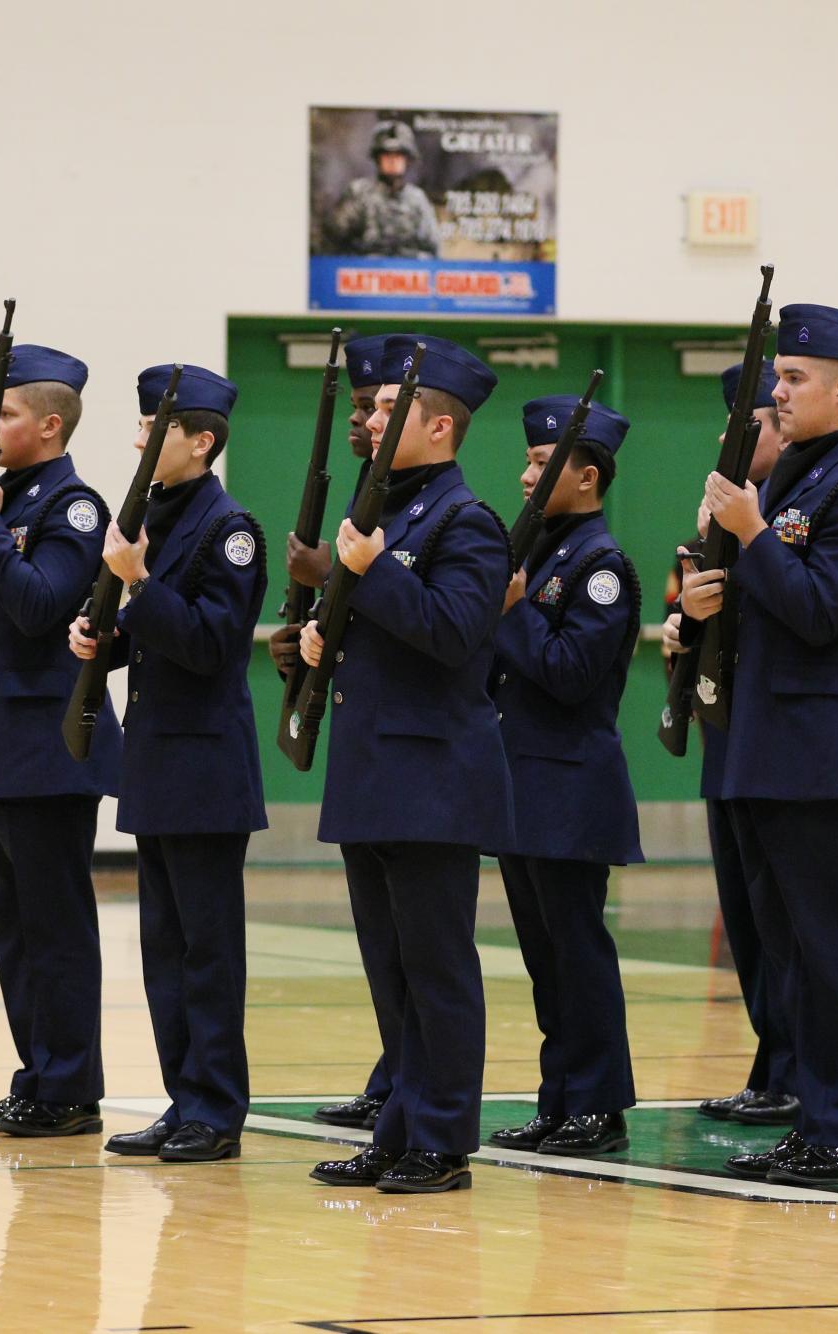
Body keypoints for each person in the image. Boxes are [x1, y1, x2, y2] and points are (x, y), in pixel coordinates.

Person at [699, 305, 838, 1186]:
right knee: (792, 949)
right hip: (774, 744)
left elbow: (825, 610)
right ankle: (817, 1115)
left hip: (828, 752)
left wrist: (751, 536)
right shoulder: (795, 476)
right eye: (776, 377)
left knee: (830, 949)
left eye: (791, 380)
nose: (776, 393)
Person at [299, 334, 512, 1194]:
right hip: (374, 770)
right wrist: (321, 641)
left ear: (441, 429)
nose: (373, 417)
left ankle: (442, 1139)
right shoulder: (391, 513)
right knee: (390, 973)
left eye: (391, 409)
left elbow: (456, 633)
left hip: (432, 777)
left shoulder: (466, 521)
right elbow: (384, 635)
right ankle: (398, 1128)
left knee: (436, 966)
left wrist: (370, 573)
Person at [0, 344, 120, 1140]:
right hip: (0, 744)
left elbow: (42, 609)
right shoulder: (7, 504)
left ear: (48, 423)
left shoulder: (74, 508)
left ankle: (71, 1087)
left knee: (55, 926)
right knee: (15, 930)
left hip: (49, 746)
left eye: (4, 413)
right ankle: (36, 1078)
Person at [70, 365, 267, 1163]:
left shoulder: (230, 528)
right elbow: (155, 633)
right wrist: (104, 642)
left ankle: (216, 1109)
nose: (141, 439)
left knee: (207, 950)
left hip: (206, 767)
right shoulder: (152, 512)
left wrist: (138, 583)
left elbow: (212, 644)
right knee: (163, 947)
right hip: (158, 760)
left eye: (156, 428)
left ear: (202, 441)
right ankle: (182, 1097)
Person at [484, 394, 640, 1157]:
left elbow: (570, 673)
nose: (524, 477)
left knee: (576, 953)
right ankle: (559, 1098)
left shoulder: (601, 567)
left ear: (586, 477)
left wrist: (512, 613)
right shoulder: (539, 554)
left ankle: (599, 1105)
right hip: (521, 787)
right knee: (544, 958)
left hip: (572, 788)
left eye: (541, 465)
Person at [267, 333, 399, 1132]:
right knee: (384, 949)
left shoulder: (423, 509)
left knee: (415, 950)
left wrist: (332, 580)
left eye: (374, 407)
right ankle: (394, 1078)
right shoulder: (364, 493)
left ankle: (412, 1093)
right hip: (364, 748)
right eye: (357, 408)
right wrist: (307, 636)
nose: (361, 423)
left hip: (406, 755)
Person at [673, 362, 797, 1127]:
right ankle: (769, 1061)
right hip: (729, 731)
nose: (725, 437)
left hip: (778, 735)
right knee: (747, 919)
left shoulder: (788, 510)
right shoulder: (725, 512)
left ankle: (795, 1071)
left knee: (785, 921)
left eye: (741, 423)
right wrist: (685, 624)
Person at [324, 120, 441, 259]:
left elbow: (433, 250)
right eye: (387, 155)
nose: (392, 161)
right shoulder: (359, 193)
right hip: (364, 272)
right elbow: (332, 241)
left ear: (407, 160)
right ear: (377, 159)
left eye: (398, 155)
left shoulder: (417, 199)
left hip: (406, 273)